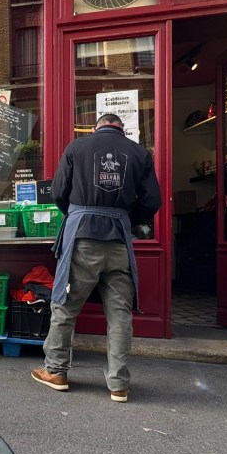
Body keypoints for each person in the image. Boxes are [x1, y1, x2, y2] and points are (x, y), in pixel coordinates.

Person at [31, 112, 161, 402]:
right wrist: (124, 219)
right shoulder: (139, 153)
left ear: (95, 127)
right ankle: (119, 384)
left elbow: (58, 192)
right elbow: (153, 200)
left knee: (65, 307)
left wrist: (79, 214)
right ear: (121, 129)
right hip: (119, 241)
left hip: (82, 238)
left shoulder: (77, 147)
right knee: (119, 315)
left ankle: (56, 371)